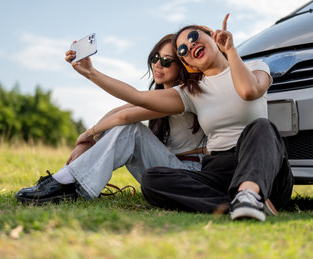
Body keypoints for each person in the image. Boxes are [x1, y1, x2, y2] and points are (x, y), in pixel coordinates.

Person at [64, 14, 293, 222]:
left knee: (261, 126)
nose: (190, 45)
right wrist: (91, 73)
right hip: (219, 171)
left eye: (193, 37)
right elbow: (136, 98)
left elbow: (248, 91)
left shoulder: (255, 67)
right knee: (152, 180)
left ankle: (250, 193)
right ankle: (236, 203)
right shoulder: (193, 92)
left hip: (264, 168)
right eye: (182, 51)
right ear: (189, 66)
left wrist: (230, 50)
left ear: (209, 33)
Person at [15, 34, 207, 205]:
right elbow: (117, 111)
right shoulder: (159, 94)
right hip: (167, 171)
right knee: (117, 126)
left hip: (188, 175)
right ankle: (67, 179)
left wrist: (87, 134)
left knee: (130, 128)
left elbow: (124, 117)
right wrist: (90, 140)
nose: (158, 64)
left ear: (182, 65)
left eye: (166, 61)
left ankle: (65, 182)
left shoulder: (183, 94)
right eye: (155, 58)